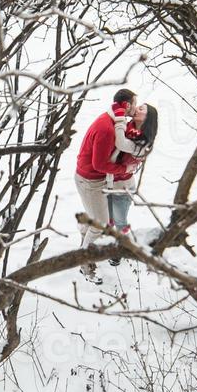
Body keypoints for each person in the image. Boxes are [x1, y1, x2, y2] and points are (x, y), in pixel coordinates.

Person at [74, 88, 139, 284]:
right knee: (101, 223)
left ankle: (85, 231)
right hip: (90, 181)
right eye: (134, 104)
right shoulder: (106, 128)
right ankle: (85, 264)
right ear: (126, 105)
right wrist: (124, 167)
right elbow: (100, 165)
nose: (135, 108)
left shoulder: (113, 120)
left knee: (96, 218)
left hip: (94, 179)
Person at [104, 103, 156, 264]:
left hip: (123, 186)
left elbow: (120, 143)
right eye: (138, 106)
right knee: (107, 218)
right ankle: (102, 245)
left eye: (141, 109)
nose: (136, 109)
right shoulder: (128, 126)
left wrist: (119, 120)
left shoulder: (143, 141)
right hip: (109, 182)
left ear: (147, 118)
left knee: (120, 221)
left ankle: (118, 250)